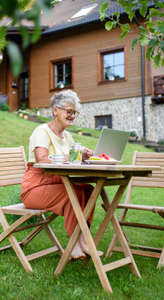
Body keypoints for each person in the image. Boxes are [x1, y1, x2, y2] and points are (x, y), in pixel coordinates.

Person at [20, 90, 101, 259]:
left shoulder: (68, 137)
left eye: (74, 112)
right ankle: (75, 243)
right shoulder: (42, 131)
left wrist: (84, 155)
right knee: (73, 194)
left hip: (57, 183)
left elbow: (73, 160)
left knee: (88, 190)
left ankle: (82, 239)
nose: (71, 116)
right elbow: (41, 158)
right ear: (55, 110)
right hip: (35, 188)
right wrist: (71, 156)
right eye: (68, 111)